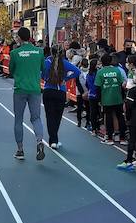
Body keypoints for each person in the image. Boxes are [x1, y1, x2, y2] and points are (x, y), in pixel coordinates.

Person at [6, 28, 46, 160]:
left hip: (20, 89)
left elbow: (11, 70)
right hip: (35, 88)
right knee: (36, 118)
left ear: (19, 38)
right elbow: (43, 69)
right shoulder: (39, 52)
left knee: (18, 119)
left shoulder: (15, 53)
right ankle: (39, 141)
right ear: (29, 37)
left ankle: (20, 150)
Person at [41, 47, 81, 149]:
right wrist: (66, 79)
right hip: (60, 92)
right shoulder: (64, 62)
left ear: (51, 52)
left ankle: (53, 140)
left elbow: (39, 72)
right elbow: (77, 71)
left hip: (48, 91)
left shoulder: (46, 62)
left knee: (50, 117)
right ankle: (54, 140)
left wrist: (45, 78)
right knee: (57, 117)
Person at [96, 54, 128, 145]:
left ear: (102, 62)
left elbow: (97, 87)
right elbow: (122, 84)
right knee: (120, 117)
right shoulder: (117, 70)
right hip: (118, 98)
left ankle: (109, 138)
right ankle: (122, 138)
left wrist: (99, 100)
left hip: (106, 99)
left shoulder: (100, 72)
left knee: (108, 118)